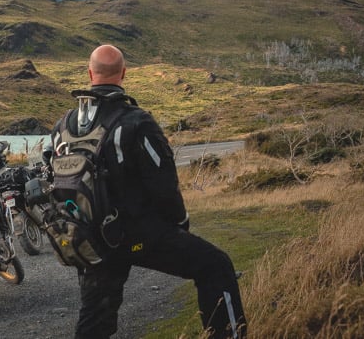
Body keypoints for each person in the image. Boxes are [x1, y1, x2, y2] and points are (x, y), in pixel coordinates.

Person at [52, 44, 246, 339]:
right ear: (124, 74)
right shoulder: (136, 121)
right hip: (137, 234)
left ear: (90, 73)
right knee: (215, 265)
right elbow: (165, 186)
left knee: (95, 318)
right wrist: (179, 225)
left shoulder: (62, 126)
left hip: (90, 237)